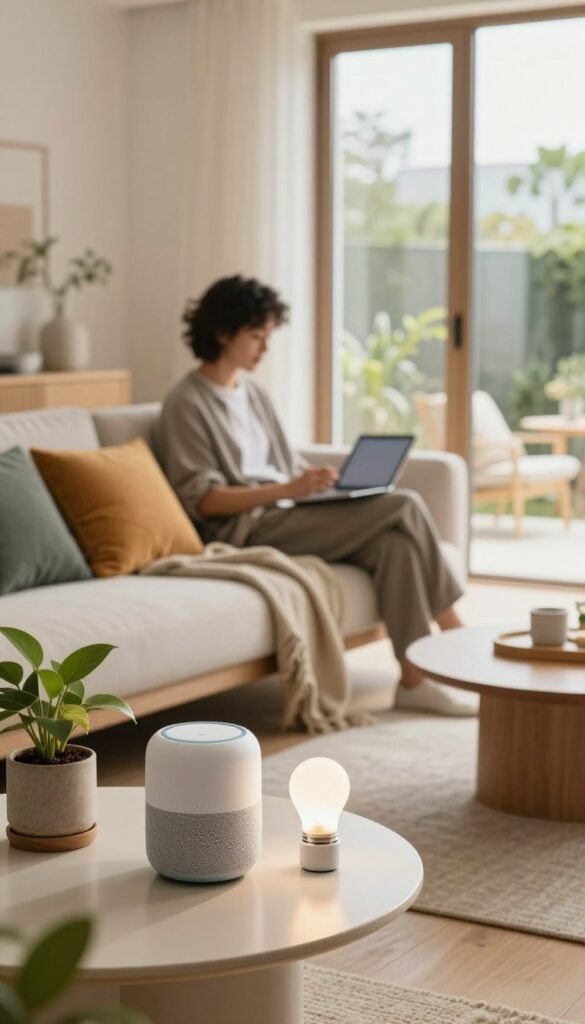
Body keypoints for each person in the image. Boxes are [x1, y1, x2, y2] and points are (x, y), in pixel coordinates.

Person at [157, 275, 477, 716]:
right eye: (256, 336)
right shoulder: (185, 403)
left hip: (291, 510)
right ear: (221, 332)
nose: (264, 349)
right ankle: (459, 638)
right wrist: (288, 489)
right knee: (403, 504)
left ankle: (414, 680)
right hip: (246, 528)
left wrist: (316, 484)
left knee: (395, 545)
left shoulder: (253, 394)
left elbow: (284, 467)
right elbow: (203, 500)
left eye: (269, 336)